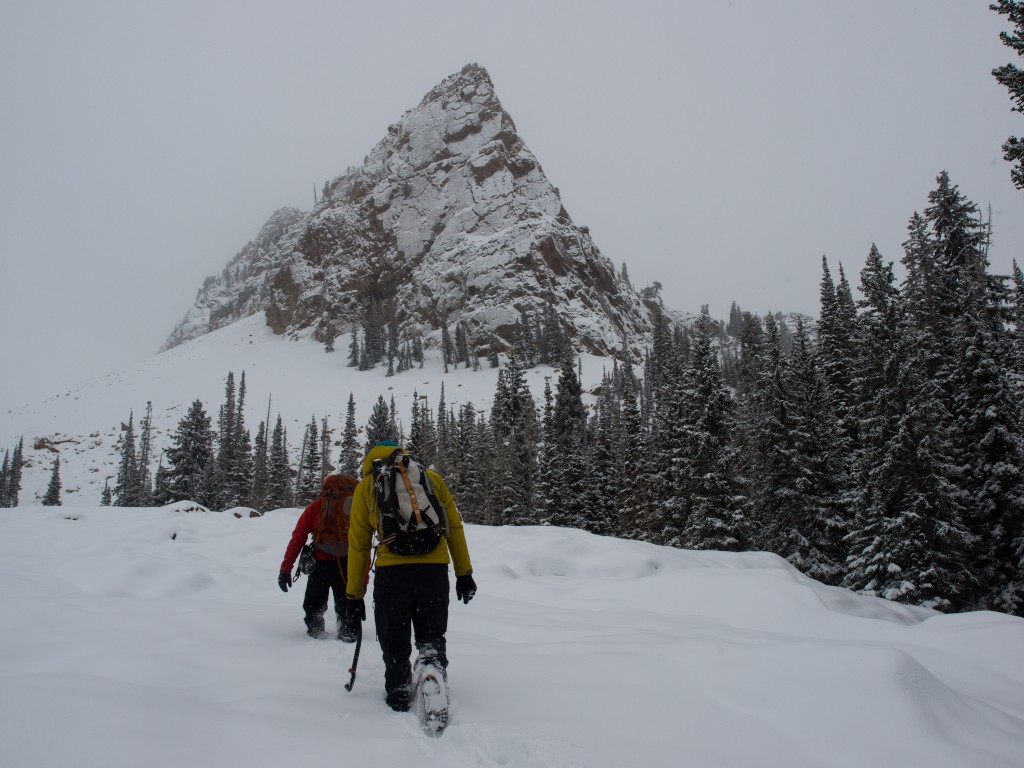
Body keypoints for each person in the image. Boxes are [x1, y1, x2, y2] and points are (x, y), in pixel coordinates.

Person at [344, 441, 477, 712]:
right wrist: (464, 573)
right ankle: (431, 667)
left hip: (392, 572)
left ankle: (399, 690)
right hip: (434, 568)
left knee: (394, 638)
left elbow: (358, 544)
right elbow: (454, 526)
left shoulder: (366, 486)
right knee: (431, 634)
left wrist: (353, 594)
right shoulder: (431, 477)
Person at [279, 473, 360, 640]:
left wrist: (286, 568)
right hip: (347, 562)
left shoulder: (317, 507)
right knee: (346, 599)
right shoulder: (355, 508)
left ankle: (316, 629)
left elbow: (298, 537)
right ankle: (348, 630)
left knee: (314, 601)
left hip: (321, 562)